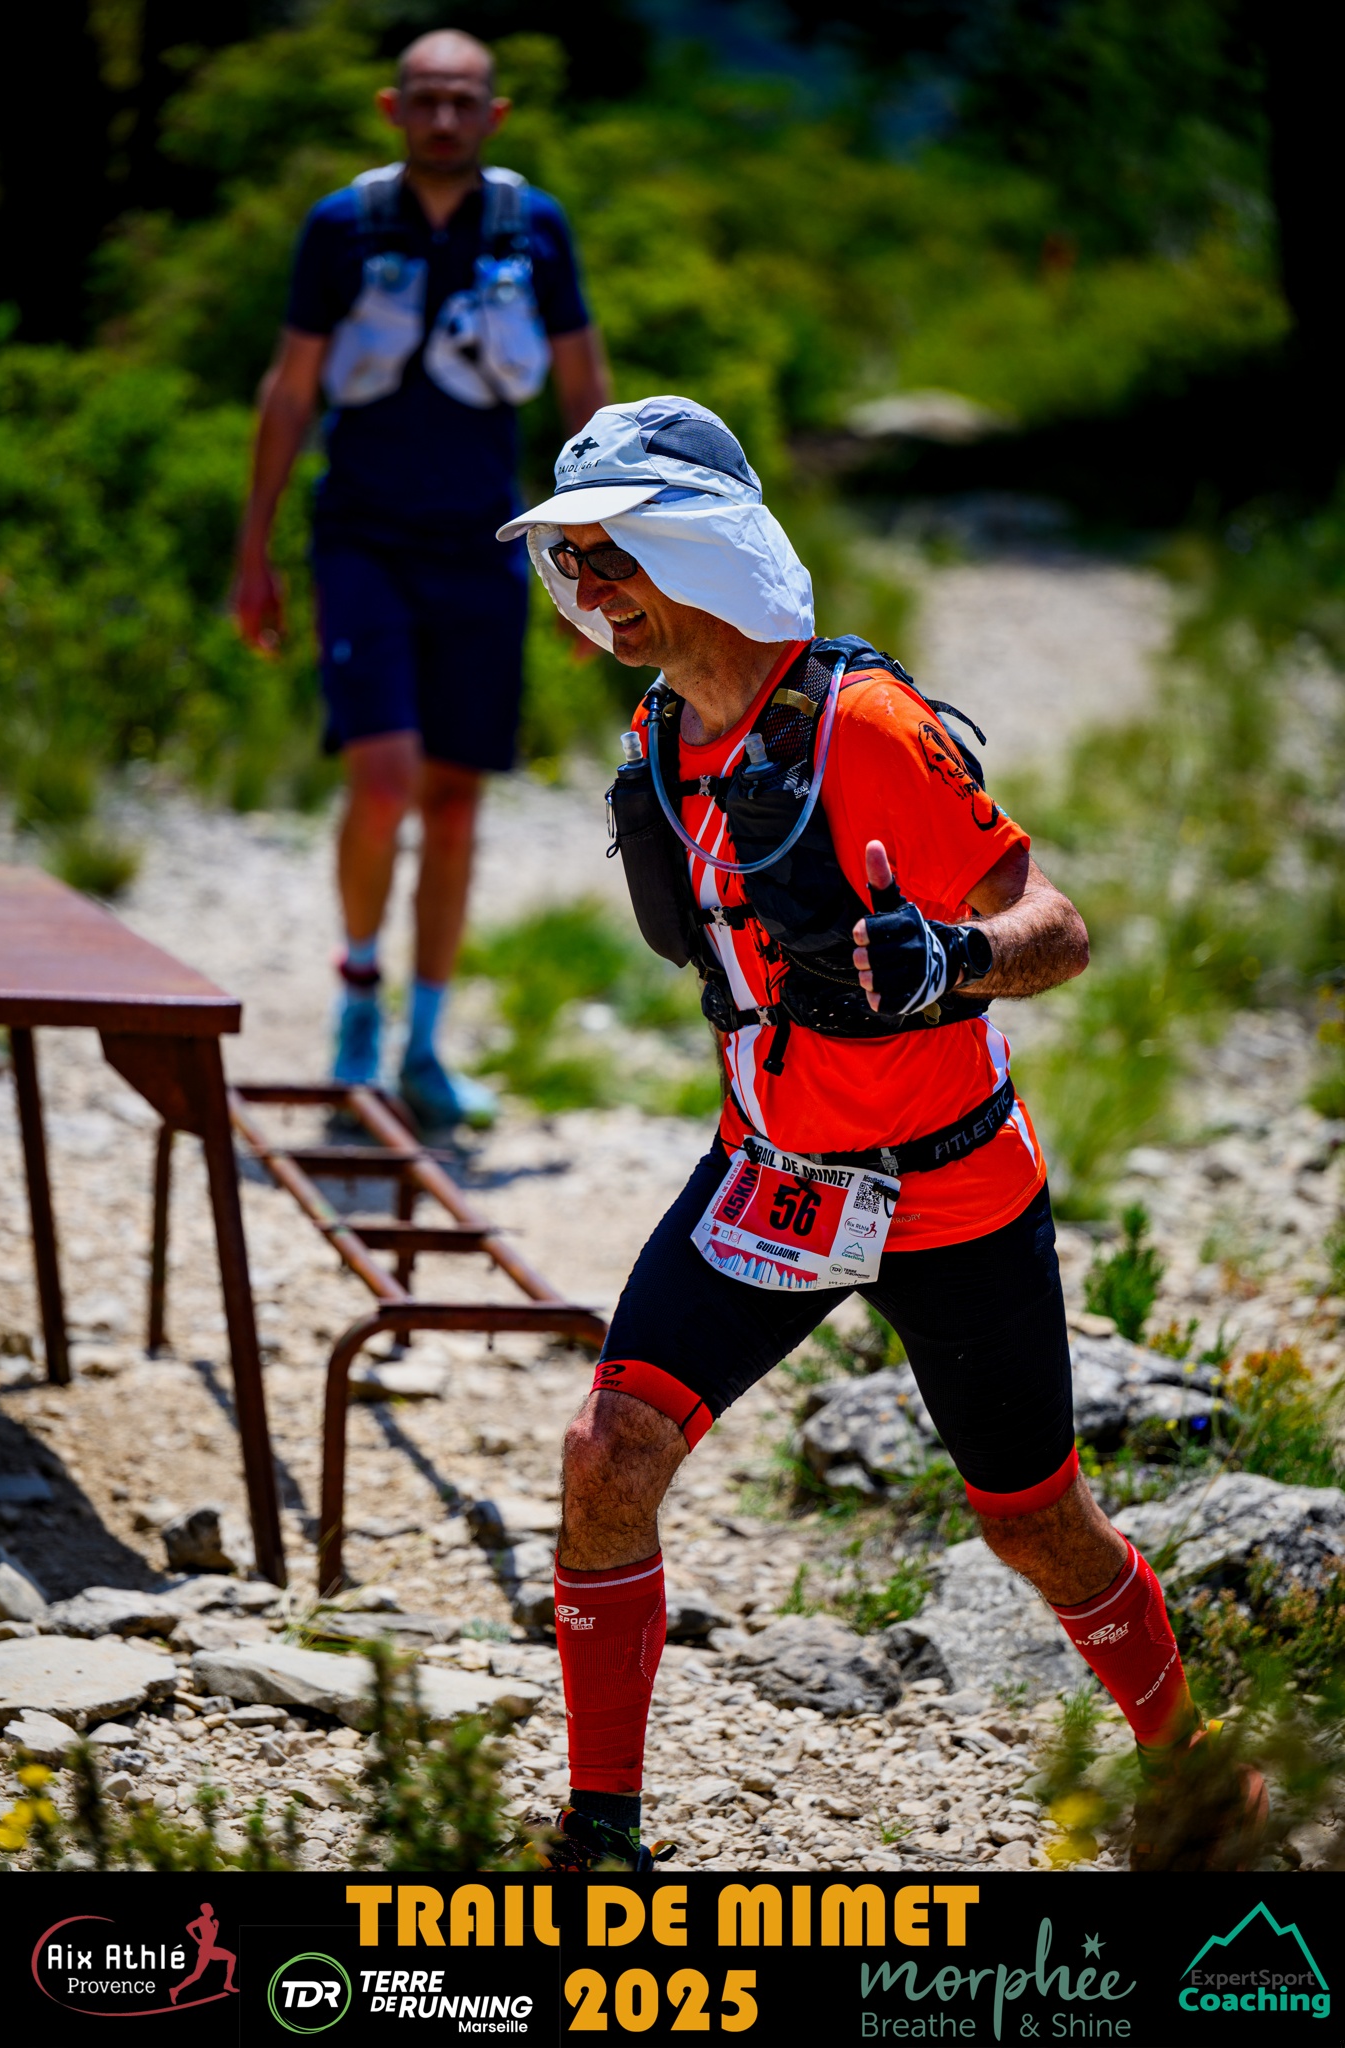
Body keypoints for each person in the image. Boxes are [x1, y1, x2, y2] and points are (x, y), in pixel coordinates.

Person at [498, 395, 1267, 1874]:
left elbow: (1055, 928)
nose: (589, 589)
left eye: (614, 554)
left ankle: (1196, 1776)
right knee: (607, 1456)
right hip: (772, 1181)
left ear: (697, 547)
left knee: (1033, 1523)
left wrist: (951, 961)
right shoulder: (661, 736)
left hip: (949, 1194)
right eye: (570, 561)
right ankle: (600, 1835)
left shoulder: (865, 727)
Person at [234, 29, 610, 1133]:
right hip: (362, 539)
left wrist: (594, 554)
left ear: (494, 115)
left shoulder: (533, 229)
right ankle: (359, 997)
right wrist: (253, 551)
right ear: (391, 109)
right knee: (385, 782)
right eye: (426, 99)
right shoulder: (342, 227)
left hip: (485, 545)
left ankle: (427, 1046)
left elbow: (582, 389)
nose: (444, 117)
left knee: (454, 804)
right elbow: (291, 388)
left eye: (464, 100)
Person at [168, 1902, 237, 2004]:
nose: (212, 1909)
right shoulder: (202, 1920)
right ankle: (175, 1990)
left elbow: (212, 1937)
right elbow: (188, 1927)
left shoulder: (211, 1922)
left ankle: (227, 1984)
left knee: (231, 1957)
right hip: (205, 1950)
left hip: (210, 1949)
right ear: (205, 1911)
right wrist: (197, 1940)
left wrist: (216, 1927)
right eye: (210, 1908)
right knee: (196, 1975)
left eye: (211, 1907)